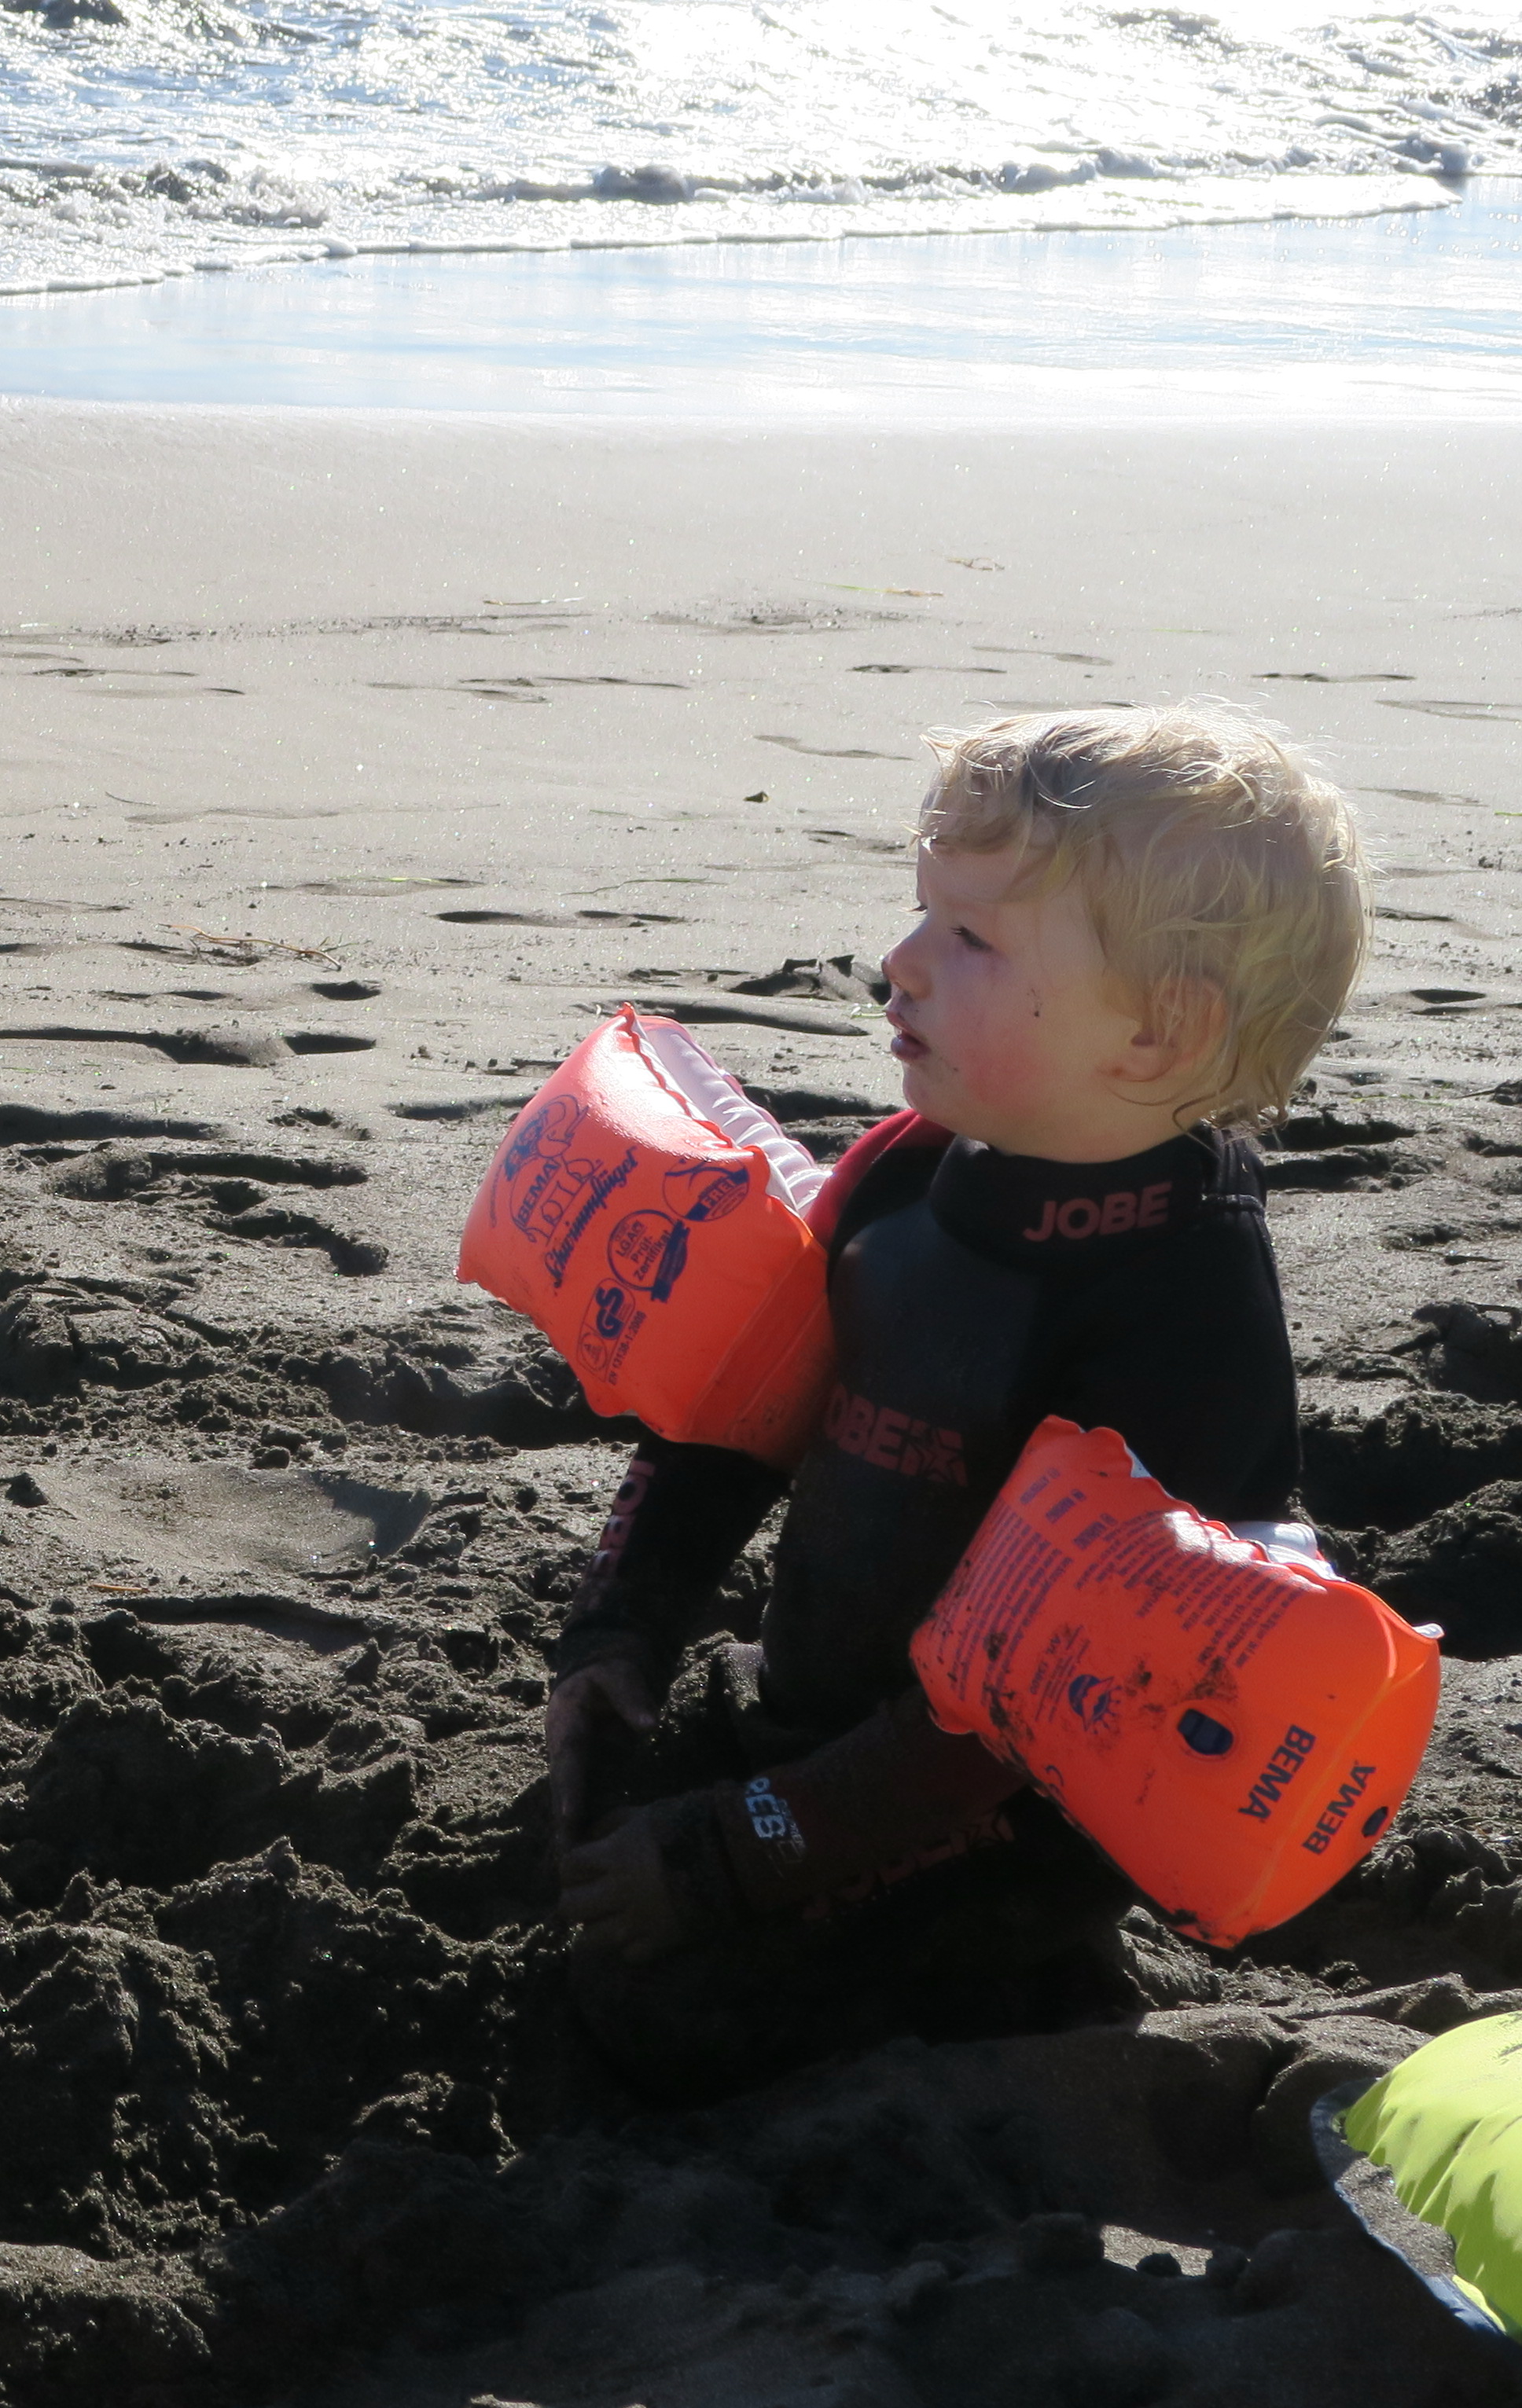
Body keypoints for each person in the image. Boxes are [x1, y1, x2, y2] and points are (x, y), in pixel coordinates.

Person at [546, 702, 1368, 2100]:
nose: (901, 961)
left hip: (999, 1811)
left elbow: (1042, 1714)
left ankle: (1028, 1996)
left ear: (1157, 1031)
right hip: (810, 1715)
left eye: (973, 939)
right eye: (923, 912)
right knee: (574, 1830)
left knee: (659, 2012)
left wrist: (740, 1847)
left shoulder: (1183, 1315)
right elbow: (739, 1412)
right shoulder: (908, 1170)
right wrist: (621, 1630)